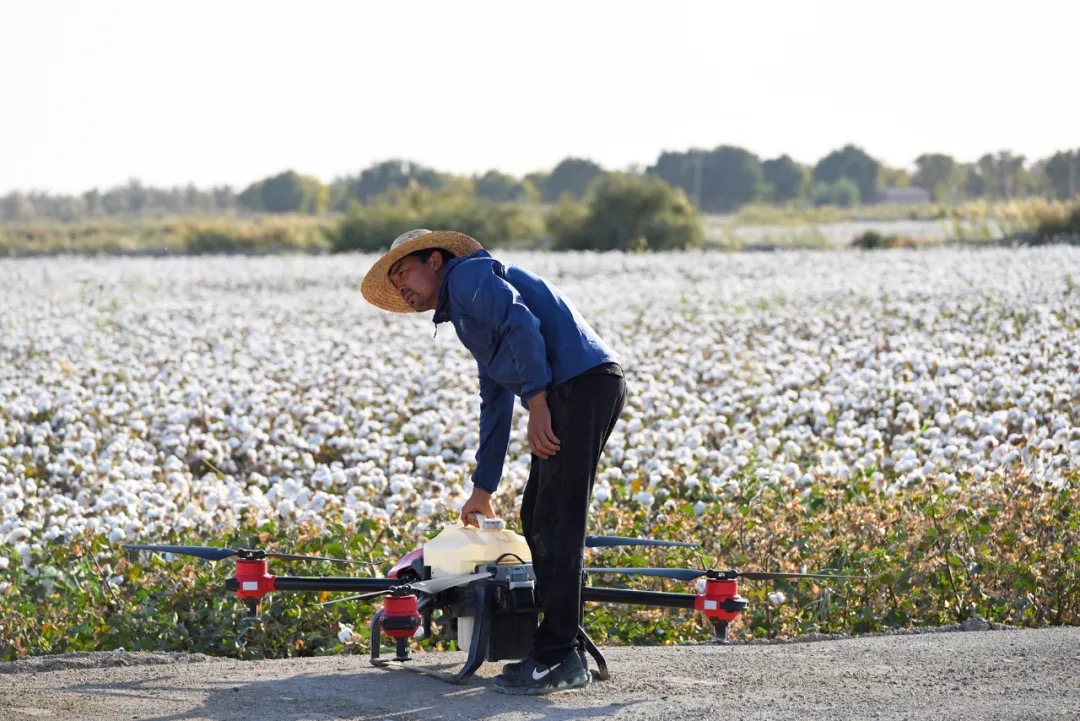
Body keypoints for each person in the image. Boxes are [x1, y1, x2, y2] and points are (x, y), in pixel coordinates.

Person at [360, 229, 626, 695]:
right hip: (579, 386)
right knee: (539, 515)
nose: (401, 286)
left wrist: (540, 402)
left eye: (403, 271)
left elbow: (523, 324)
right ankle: (561, 645)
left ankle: (557, 656)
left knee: (558, 519)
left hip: (576, 385)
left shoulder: (467, 277)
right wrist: (483, 487)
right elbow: (495, 400)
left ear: (436, 260)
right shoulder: (468, 311)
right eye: (394, 280)